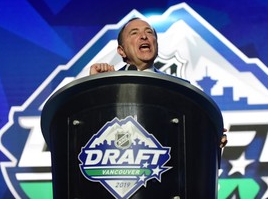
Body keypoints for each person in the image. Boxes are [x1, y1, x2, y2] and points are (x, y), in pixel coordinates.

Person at [89, 17, 228, 148]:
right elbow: (88, 131)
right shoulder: (107, 83)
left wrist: (211, 138)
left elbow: (191, 138)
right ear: (121, 51)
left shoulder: (179, 89)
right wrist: (94, 88)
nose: (144, 36)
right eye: (134, 33)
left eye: (149, 32)